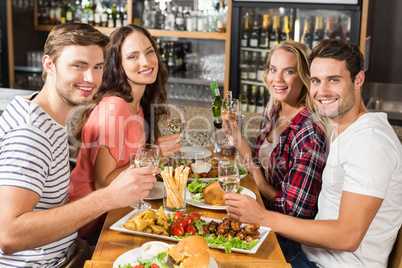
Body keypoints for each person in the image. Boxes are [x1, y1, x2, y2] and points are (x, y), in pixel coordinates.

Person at [224, 39, 402, 267]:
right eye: (316, 80)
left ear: (358, 79)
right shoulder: (343, 129)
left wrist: (262, 217)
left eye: (334, 80)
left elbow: (348, 236)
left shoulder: (370, 142)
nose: (322, 91)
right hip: (307, 253)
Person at [0, 23, 160, 268]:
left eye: (97, 67)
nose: (91, 78)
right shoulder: (29, 134)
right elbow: (9, 236)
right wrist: (107, 197)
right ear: (49, 65)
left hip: (70, 252)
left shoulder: (42, 114)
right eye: (78, 66)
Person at [68, 24, 180, 241]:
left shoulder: (135, 105)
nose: (146, 62)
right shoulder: (115, 108)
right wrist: (154, 154)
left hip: (114, 213)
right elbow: (105, 183)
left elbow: (128, 166)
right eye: (133, 56)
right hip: (90, 226)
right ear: (117, 65)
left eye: (149, 52)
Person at [225, 40, 329, 220]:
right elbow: (257, 162)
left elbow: (295, 211)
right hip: (259, 211)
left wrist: (260, 180)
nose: (277, 79)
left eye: (288, 71)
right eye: (273, 69)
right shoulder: (273, 108)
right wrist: (235, 136)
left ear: (305, 77)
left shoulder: (308, 133)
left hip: (284, 235)